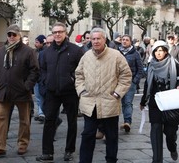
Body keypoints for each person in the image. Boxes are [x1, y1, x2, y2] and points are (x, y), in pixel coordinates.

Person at [75, 27, 132, 163]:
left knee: (112, 136)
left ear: (104, 39)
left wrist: (117, 93)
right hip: (90, 103)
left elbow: (126, 75)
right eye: (93, 39)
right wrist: (82, 91)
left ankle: (111, 160)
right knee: (88, 134)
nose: (95, 41)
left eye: (98, 38)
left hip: (110, 103)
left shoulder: (116, 55)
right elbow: (79, 75)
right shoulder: (86, 56)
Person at [0, 24, 39, 157]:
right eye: (9, 34)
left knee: (24, 120)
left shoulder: (28, 51)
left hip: (21, 91)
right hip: (3, 91)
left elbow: (34, 70)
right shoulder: (1, 50)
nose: (11, 37)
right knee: (1, 118)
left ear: (19, 36)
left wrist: (26, 86)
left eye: (14, 35)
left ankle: (22, 144)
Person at [36, 22, 83, 162]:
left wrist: (74, 81)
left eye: (60, 32)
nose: (57, 34)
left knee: (72, 122)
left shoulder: (75, 50)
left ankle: (69, 150)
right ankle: (47, 152)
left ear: (65, 33)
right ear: (52, 33)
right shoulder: (46, 53)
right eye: (55, 32)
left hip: (70, 92)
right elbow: (42, 70)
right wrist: (44, 84)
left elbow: (81, 70)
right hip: (51, 92)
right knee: (49, 121)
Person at [140, 40, 179, 162]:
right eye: (156, 51)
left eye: (161, 51)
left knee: (170, 132)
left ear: (165, 51)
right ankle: (157, 160)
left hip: (171, 102)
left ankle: (172, 147)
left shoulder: (174, 63)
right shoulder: (151, 65)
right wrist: (143, 101)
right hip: (155, 102)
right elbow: (147, 84)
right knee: (155, 129)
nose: (158, 53)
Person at [119, 35, 143, 132]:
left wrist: (135, 81)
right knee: (116, 103)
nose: (124, 41)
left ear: (130, 42)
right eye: (123, 40)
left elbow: (140, 69)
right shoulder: (116, 52)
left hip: (130, 82)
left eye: (127, 40)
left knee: (127, 102)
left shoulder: (135, 53)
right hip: (117, 82)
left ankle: (127, 122)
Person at [34, 34, 46, 124]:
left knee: (42, 97)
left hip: (42, 78)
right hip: (35, 78)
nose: (35, 44)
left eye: (37, 42)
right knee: (38, 97)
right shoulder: (34, 52)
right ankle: (40, 112)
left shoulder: (45, 52)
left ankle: (42, 113)